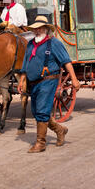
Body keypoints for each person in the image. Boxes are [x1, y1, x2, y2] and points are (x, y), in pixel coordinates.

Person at [18, 15, 80, 153]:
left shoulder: (54, 43)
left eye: (40, 28)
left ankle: (40, 143)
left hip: (48, 81)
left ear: (46, 29)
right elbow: (25, 63)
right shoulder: (31, 44)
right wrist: (22, 80)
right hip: (33, 82)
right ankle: (60, 130)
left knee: (41, 110)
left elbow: (66, 61)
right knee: (35, 111)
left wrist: (74, 79)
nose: (38, 31)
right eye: (36, 28)